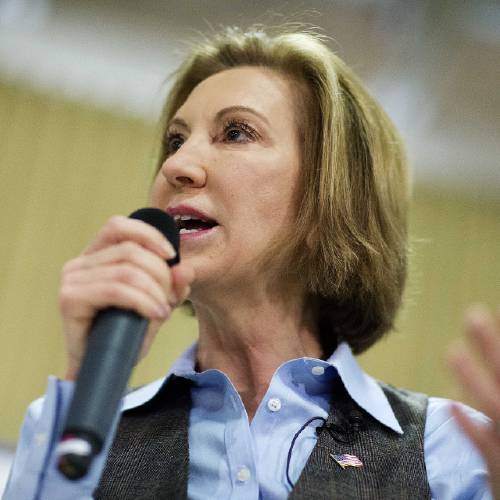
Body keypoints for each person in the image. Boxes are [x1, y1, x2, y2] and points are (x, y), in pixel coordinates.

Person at [4, 25, 499, 499]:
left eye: (236, 133)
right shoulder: (69, 428)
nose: (176, 166)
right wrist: (84, 375)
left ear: (330, 191)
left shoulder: (457, 452)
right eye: (175, 141)